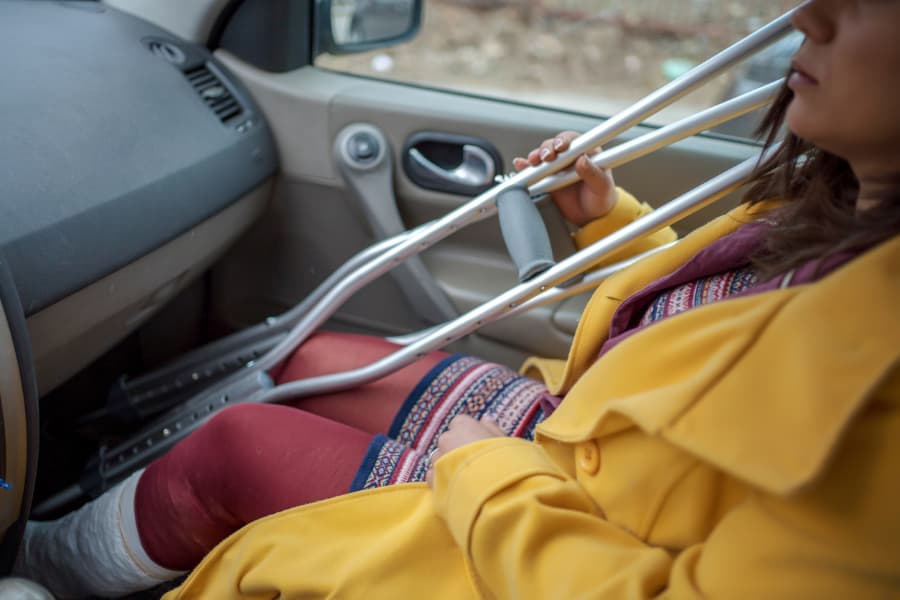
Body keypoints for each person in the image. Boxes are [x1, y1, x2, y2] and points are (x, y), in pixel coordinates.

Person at [15, 0, 900, 597]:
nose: (809, 13)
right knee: (308, 357)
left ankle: (48, 565)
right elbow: (735, 327)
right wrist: (609, 224)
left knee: (241, 446)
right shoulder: (838, 207)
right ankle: (91, 513)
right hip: (582, 438)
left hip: (559, 530)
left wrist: (488, 475)